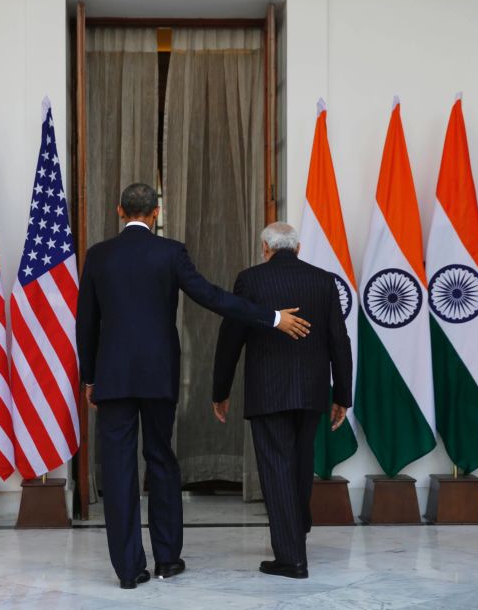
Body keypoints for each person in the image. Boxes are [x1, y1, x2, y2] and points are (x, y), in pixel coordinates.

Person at [76, 184, 311, 589]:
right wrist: (272, 318)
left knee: (117, 470)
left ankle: (129, 571)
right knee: (161, 459)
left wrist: (90, 377)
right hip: (158, 376)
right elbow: (212, 297)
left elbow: (86, 323)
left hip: (113, 378)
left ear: (119, 210)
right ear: (156, 212)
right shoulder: (170, 252)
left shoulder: (99, 255)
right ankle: (167, 560)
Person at [211, 222, 352, 579]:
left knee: (276, 470)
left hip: (269, 392)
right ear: (298, 248)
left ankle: (291, 558)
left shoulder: (250, 280)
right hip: (312, 392)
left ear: (265, 247)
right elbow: (340, 340)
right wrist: (343, 395)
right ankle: (296, 533)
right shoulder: (324, 280)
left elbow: (231, 337)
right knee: (301, 466)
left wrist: (220, 390)